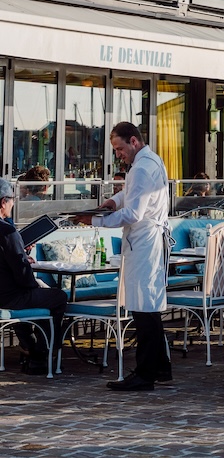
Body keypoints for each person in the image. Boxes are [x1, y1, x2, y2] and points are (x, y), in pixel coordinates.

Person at [74, 121, 171, 391]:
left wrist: (94, 220)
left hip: (143, 241)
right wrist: (113, 202)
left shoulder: (140, 168)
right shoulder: (151, 161)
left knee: (143, 307)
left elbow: (134, 213)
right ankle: (161, 368)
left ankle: (145, 374)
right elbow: (131, 194)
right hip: (149, 240)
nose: (118, 154)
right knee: (148, 304)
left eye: (119, 149)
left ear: (134, 142)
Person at [0, 178, 66, 373]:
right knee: (57, 298)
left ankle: (29, 344)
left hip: (5, 294)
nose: (13, 203)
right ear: (3, 202)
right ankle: (41, 352)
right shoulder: (7, 230)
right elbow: (21, 274)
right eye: (12, 199)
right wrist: (33, 282)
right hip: (11, 296)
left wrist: (22, 254)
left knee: (40, 298)